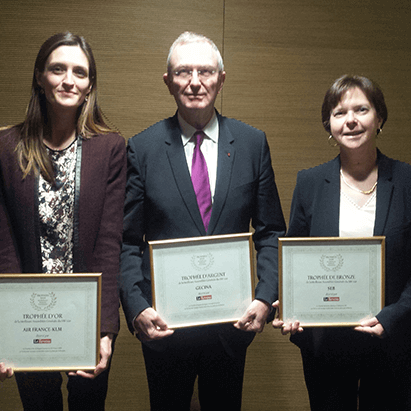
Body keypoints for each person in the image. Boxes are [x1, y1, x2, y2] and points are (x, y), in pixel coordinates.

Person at [120, 31, 286, 410]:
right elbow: (127, 241)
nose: (195, 82)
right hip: (164, 329)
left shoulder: (251, 143)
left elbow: (271, 232)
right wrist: (136, 307)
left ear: (221, 79)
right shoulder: (142, 148)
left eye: (205, 71)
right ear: (168, 82)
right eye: (183, 72)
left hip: (231, 327)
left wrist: (265, 297)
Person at [0, 32, 126, 410]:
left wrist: (106, 329)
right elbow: (3, 242)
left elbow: (109, 243)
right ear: (40, 77)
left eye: (80, 73)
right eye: (58, 69)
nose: (69, 80)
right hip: (27, 314)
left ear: (90, 87)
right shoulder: (6, 146)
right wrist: (6, 326)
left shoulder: (110, 148)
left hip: (87, 314)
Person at [272, 75, 411, 410]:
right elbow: (296, 257)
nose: (350, 120)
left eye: (361, 109)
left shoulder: (407, 180)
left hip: (392, 340)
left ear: (379, 118)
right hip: (326, 344)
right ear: (328, 125)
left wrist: (393, 317)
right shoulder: (309, 183)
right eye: (339, 112)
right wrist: (290, 306)